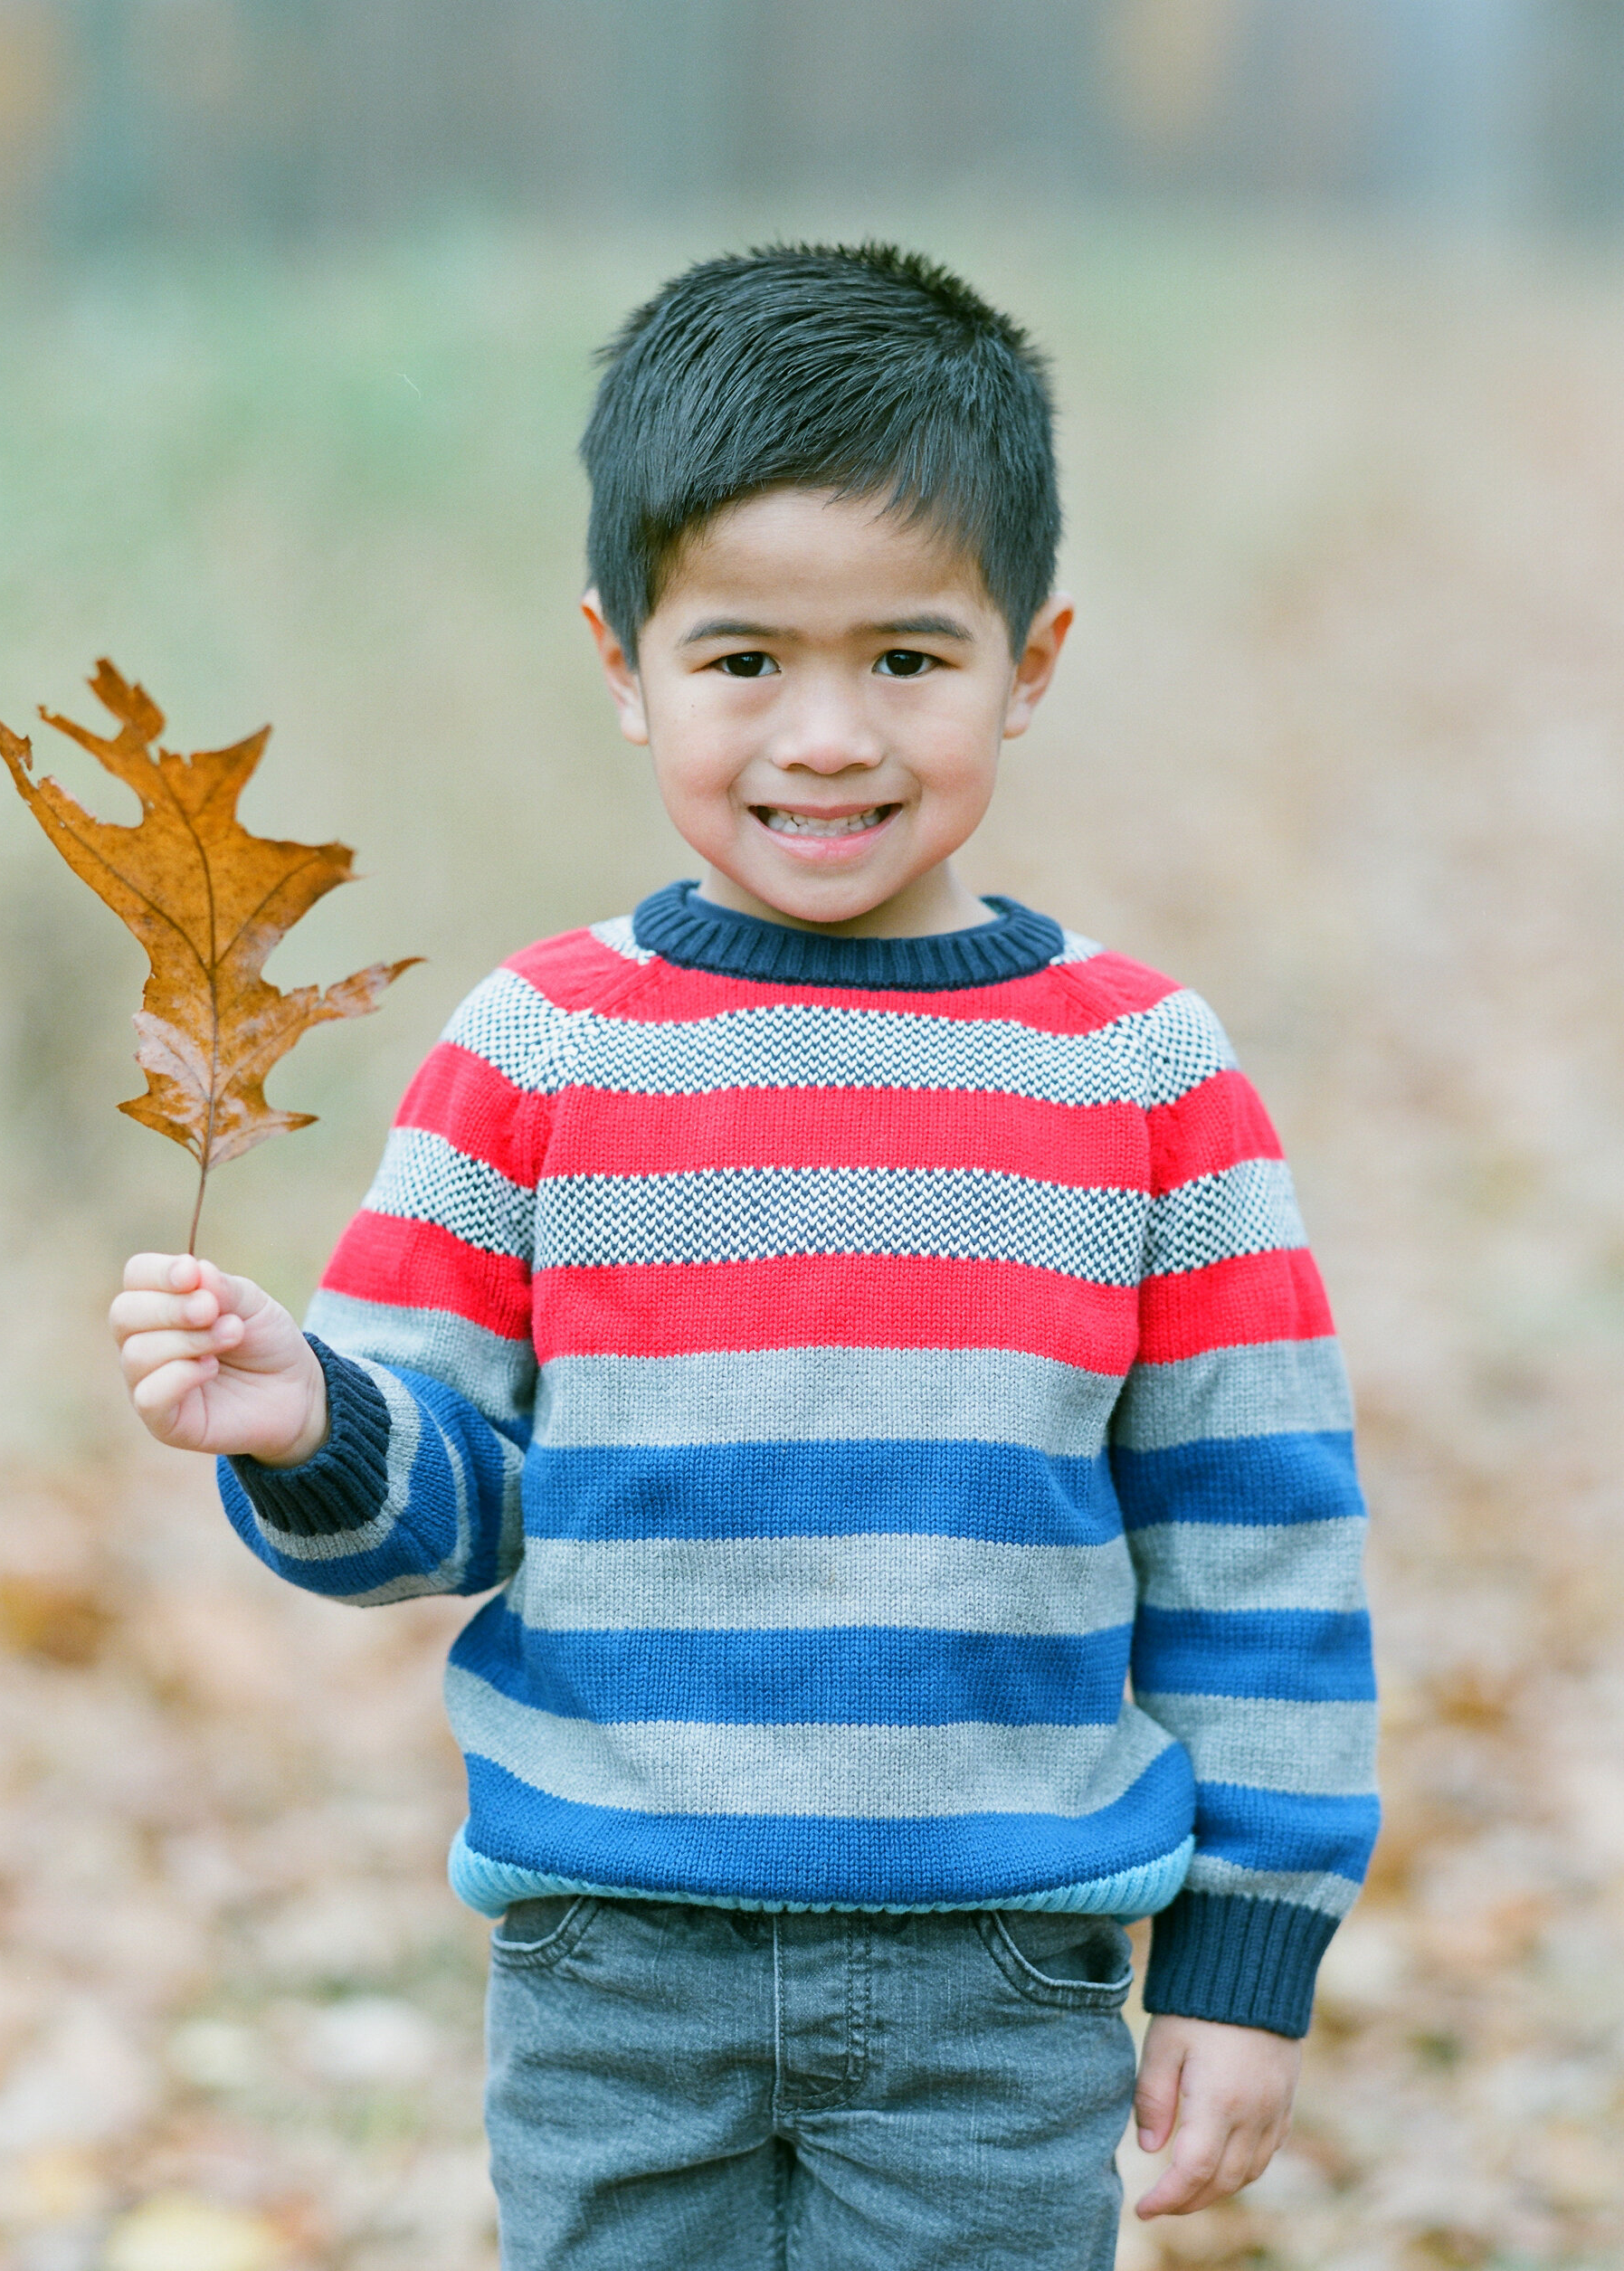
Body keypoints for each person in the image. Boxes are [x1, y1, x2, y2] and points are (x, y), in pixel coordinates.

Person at [110, 243, 1377, 2270]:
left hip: (1002, 1979)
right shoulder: (540, 1052)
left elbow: (1258, 1536)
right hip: (617, 1960)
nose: (822, 737)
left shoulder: (1142, 1075)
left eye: (904, 657)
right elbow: (440, 1512)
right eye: (739, 662)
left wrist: (1248, 1945)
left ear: (1029, 660)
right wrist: (309, 1426)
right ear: (619, 663)